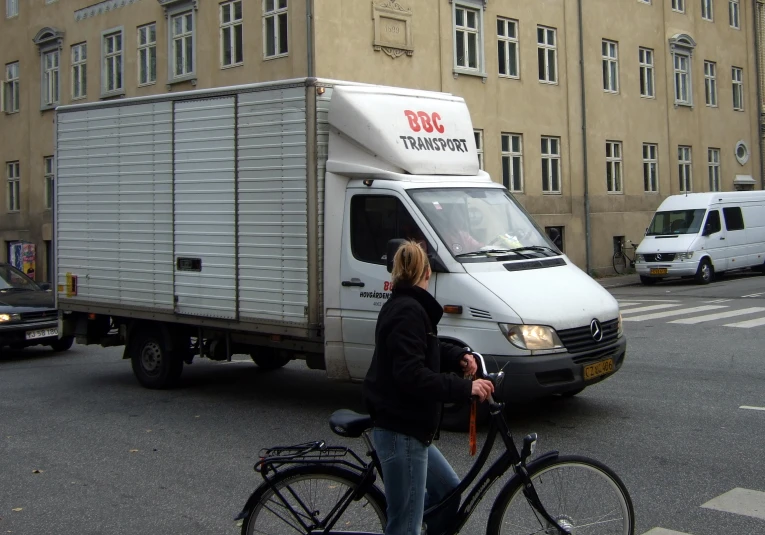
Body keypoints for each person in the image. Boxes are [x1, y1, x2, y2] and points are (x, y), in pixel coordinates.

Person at [362, 240, 495, 535]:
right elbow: (411, 374)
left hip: (411, 428)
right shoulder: (407, 311)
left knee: (448, 493)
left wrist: (458, 357)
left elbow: (425, 348)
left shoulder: (408, 307)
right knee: (405, 526)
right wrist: (465, 389)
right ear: (427, 273)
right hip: (402, 429)